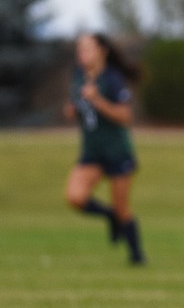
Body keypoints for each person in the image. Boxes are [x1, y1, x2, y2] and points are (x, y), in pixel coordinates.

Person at [62, 33, 146, 266]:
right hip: (92, 151)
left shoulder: (112, 79)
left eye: (87, 49)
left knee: (123, 208)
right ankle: (108, 216)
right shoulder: (79, 77)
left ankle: (137, 257)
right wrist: (72, 109)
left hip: (117, 151)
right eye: (80, 49)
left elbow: (125, 116)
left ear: (102, 51)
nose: (82, 54)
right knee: (75, 197)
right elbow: (72, 109)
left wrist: (98, 100)